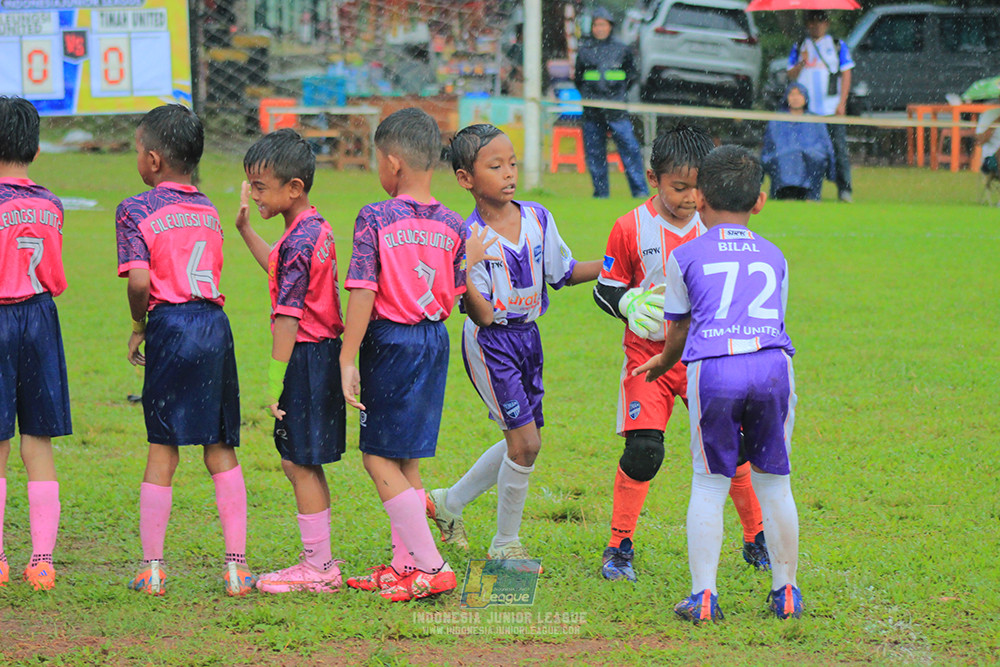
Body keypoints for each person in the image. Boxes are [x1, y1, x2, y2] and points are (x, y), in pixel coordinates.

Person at [592, 124, 768, 583]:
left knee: (733, 448)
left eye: (698, 187)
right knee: (645, 451)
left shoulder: (715, 226)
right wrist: (628, 303)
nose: (691, 197)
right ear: (654, 179)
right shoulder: (629, 228)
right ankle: (618, 546)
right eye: (679, 187)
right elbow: (605, 290)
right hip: (648, 363)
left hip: (703, 359)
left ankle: (757, 536)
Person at [635, 145, 802, 623]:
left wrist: (663, 362)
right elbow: (774, 319)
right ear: (760, 201)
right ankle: (786, 591)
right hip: (771, 366)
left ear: (701, 197)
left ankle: (704, 596)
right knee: (775, 482)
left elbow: (680, 328)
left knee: (710, 483)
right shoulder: (775, 255)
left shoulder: (685, 255)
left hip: (716, 368)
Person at [425, 124, 601, 563]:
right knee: (526, 444)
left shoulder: (539, 218)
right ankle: (505, 544)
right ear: (466, 179)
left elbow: (563, 273)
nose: (509, 173)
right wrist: (466, 267)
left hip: (529, 336)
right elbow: (483, 315)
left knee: (523, 439)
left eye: (513, 164)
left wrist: (618, 264)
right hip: (492, 342)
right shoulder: (471, 239)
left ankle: (448, 502)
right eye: (495, 165)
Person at [116, 104, 254, 597]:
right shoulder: (207, 209)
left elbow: (138, 280)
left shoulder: (136, 209)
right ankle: (237, 568)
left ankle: (152, 569)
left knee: (163, 446)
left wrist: (140, 324)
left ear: (153, 160)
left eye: (137, 149)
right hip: (215, 326)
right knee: (220, 447)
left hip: (171, 326)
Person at [339, 108, 466, 602]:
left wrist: (348, 358)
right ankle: (404, 564)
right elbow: (454, 294)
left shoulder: (375, 216)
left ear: (392, 163)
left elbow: (363, 290)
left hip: (391, 342)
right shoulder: (453, 224)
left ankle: (433, 566)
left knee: (377, 458)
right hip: (433, 340)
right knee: (405, 458)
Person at [234, 129, 346, 593]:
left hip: (306, 356)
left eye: (260, 186)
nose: (252, 194)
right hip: (320, 355)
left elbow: (287, 315)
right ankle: (320, 562)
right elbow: (280, 273)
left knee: (299, 462)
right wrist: (244, 228)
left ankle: (317, 568)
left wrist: (271, 381)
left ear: (294, 188)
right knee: (301, 459)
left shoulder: (301, 240)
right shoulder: (310, 228)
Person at [0, 96, 69, 591]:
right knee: (37, 440)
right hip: (41, 317)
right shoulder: (50, 204)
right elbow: (54, 273)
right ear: (37, 149)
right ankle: (42, 560)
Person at [573, 6, 648, 199]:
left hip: (616, 110)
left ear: (610, 27)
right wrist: (591, 97)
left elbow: (632, 75)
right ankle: (601, 193)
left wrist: (617, 94)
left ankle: (640, 192)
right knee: (595, 154)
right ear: (592, 27)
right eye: (597, 25)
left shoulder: (622, 49)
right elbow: (579, 79)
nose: (600, 29)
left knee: (630, 151)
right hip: (592, 111)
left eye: (603, 25)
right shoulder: (585, 51)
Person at [787, 10, 853, 203]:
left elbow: (846, 74)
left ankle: (845, 190)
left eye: (820, 21)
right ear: (807, 24)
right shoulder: (800, 46)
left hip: (831, 109)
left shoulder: (837, 46)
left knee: (839, 150)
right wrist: (802, 62)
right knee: (809, 153)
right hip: (808, 111)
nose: (816, 25)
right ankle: (810, 191)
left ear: (827, 23)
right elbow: (791, 75)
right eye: (812, 21)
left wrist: (842, 103)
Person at [761, 82, 835, 201]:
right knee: (786, 156)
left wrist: (808, 150)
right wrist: (791, 149)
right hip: (781, 153)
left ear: (805, 98)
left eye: (799, 95)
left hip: (810, 154)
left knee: (814, 156)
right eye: (792, 94)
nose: (795, 98)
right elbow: (771, 143)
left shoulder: (816, 119)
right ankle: (784, 192)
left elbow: (824, 143)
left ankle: (809, 194)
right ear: (786, 97)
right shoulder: (777, 118)